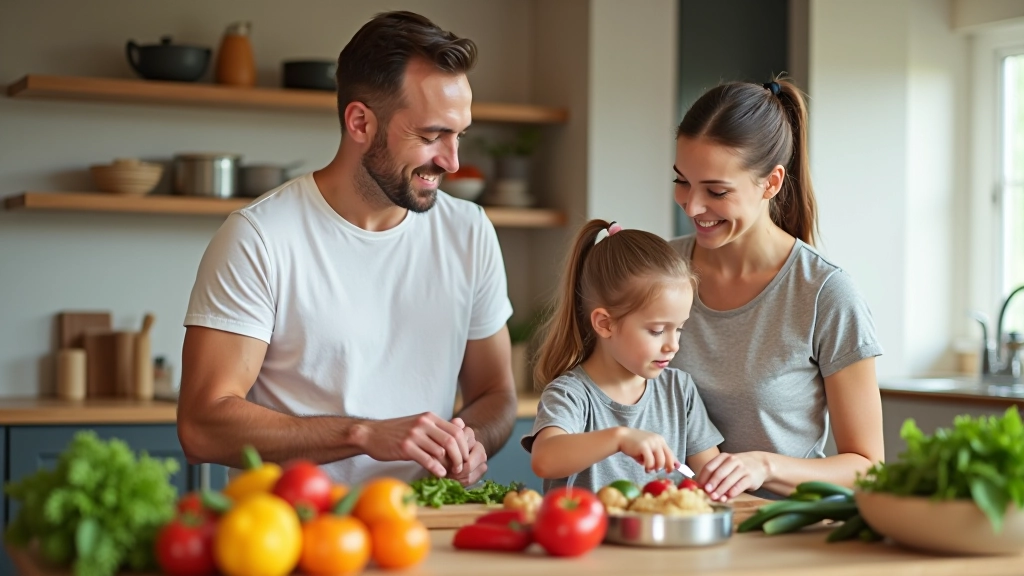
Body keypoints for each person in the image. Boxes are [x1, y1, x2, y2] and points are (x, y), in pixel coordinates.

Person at [176, 11, 518, 488]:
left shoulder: (469, 232)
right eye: (430, 136)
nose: (453, 161)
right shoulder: (259, 237)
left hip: (421, 524)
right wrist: (362, 434)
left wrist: (470, 441)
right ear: (360, 122)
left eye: (459, 135)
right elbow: (202, 426)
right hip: (293, 525)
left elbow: (496, 393)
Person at [670, 77, 885, 500]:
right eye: (681, 181)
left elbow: (868, 468)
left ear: (771, 183)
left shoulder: (825, 293)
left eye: (716, 190)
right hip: (665, 522)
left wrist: (763, 466)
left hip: (777, 531)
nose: (692, 206)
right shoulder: (657, 270)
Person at [522, 219, 745, 497]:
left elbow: (711, 477)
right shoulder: (571, 395)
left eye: (679, 329)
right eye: (657, 331)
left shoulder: (679, 390)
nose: (673, 345)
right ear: (605, 324)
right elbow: (544, 460)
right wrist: (619, 437)